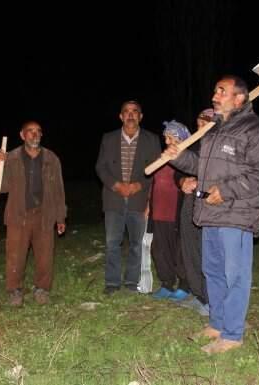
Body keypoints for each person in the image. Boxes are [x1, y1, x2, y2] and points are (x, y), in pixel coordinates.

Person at [164, 76, 259, 354]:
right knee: (212, 271)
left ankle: (232, 334)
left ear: (239, 98)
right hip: (211, 213)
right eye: (215, 89)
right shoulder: (214, 130)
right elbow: (201, 167)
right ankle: (216, 323)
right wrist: (177, 156)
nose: (215, 95)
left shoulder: (256, 130)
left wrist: (227, 190)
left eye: (222, 91)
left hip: (237, 214)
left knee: (235, 275)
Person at [0, 120, 66, 306]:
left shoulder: (51, 159)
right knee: (15, 256)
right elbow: (1, 187)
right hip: (18, 215)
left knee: (45, 255)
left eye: (38, 131)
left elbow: (59, 189)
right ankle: (15, 291)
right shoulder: (11, 158)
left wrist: (60, 217)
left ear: (41, 135)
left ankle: (42, 289)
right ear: (22, 135)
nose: (35, 135)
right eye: (30, 131)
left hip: (44, 214)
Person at [95, 100, 162, 295]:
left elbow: (157, 169)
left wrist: (138, 185)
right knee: (112, 243)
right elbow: (100, 167)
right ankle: (112, 283)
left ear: (140, 116)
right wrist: (116, 185)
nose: (130, 115)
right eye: (126, 112)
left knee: (136, 243)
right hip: (113, 199)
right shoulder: (109, 138)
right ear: (121, 116)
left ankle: (132, 282)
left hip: (139, 199)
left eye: (135, 112)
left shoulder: (151, 139)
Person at [172, 108, 215, 316]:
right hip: (189, 204)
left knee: (208, 253)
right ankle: (198, 295)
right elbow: (177, 172)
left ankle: (210, 299)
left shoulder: (220, 147)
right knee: (190, 250)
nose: (201, 124)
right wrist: (182, 180)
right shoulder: (194, 145)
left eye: (206, 121)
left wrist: (202, 181)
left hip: (210, 206)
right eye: (198, 121)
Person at [148, 120, 191, 302]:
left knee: (180, 251)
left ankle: (184, 285)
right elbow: (152, 184)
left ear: (181, 139)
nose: (167, 142)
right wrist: (147, 207)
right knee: (160, 249)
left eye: (171, 138)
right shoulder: (161, 158)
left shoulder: (188, 159)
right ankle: (166, 283)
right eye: (165, 138)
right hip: (159, 212)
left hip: (178, 213)